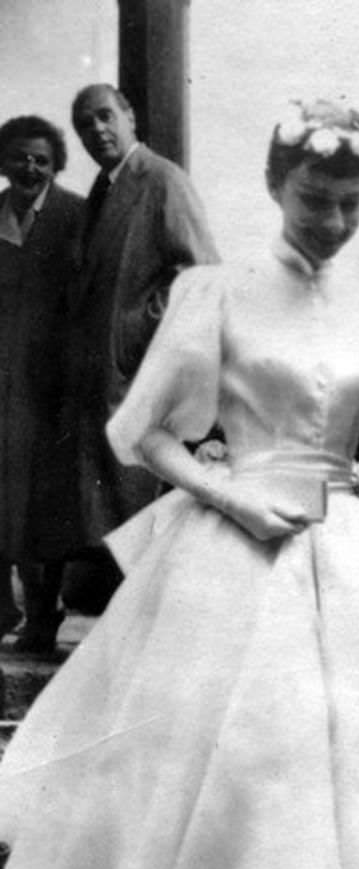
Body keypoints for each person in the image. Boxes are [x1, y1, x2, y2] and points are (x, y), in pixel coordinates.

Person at [0, 99, 359, 869]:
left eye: (351, 203)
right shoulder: (216, 289)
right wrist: (235, 493)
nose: (332, 223)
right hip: (238, 558)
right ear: (272, 187)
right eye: (313, 200)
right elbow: (140, 431)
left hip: (347, 559)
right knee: (254, 788)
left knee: (338, 797)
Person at [62, 83, 218, 613]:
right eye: (85, 124)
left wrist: (135, 326)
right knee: (106, 514)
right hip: (103, 379)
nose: (97, 130)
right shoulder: (103, 190)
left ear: (130, 116)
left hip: (140, 374)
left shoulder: (162, 180)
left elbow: (201, 276)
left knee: (138, 505)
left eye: (105, 116)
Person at [0, 115, 82, 653]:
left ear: (54, 166)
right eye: (20, 157)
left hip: (51, 384)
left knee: (45, 504)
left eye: (41, 159)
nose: (30, 167)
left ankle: (43, 611)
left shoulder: (75, 214)